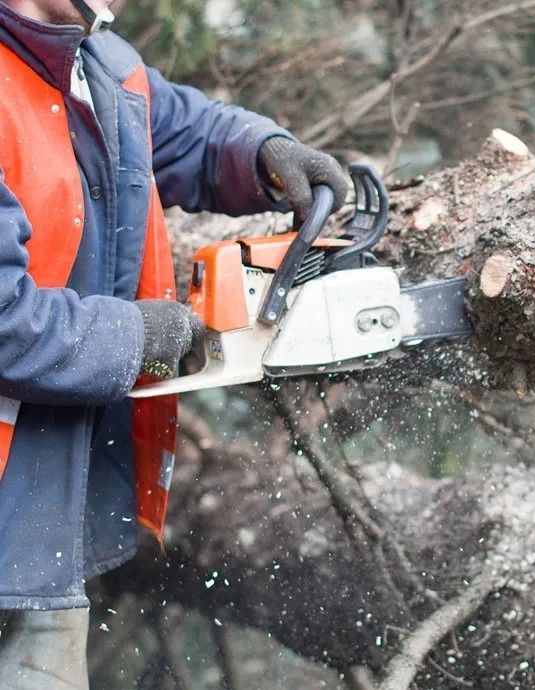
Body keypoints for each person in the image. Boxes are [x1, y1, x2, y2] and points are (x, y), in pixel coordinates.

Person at [0, 1, 352, 686]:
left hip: (41, 535)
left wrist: (265, 154)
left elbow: (182, 128)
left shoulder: (96, 66)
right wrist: (141, 336)